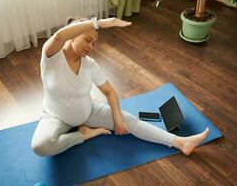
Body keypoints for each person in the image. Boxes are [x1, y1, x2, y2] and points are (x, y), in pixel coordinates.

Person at [31, 17, 210, 157]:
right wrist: (99, 23)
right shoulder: (51, 57)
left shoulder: (89, 64)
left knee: (129, 120)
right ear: (73, 35)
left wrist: (117, 119)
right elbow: (58, 36)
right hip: (57, 116)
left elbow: (109, 91)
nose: (90, 46)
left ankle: (181, 142)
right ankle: (85, 134)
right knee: (40, 146)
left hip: (89, 111)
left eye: (93, 43)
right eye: (87, 39)